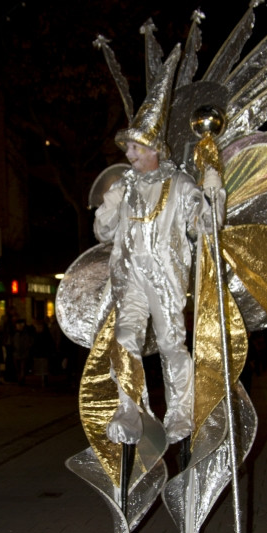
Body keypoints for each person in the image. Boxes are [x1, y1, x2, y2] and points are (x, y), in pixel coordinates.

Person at [94, 90, 222, 446]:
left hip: (164, 281)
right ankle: (130, 410)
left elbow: (206, 226)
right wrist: (109, 204)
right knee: (124, 339)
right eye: (129, 149)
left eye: (135, 148)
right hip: (129, 278)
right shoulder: (124, 186)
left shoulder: (180, 185)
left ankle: (181, 411)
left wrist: (212, 190)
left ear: (154, 150)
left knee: (171, 345)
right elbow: (102, 232)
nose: (129, 155)